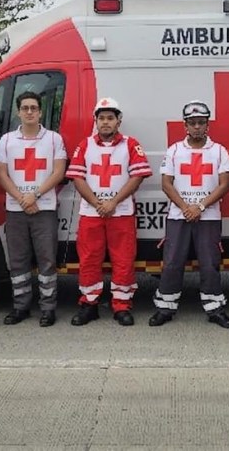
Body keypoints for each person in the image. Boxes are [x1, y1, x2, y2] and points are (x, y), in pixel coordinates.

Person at [65, 97, 152, 326]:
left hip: (121, 212)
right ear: (95, 121)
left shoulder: (131, 144)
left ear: (118, 121)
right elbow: (77, 177)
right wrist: (97, 203)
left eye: (110, 118)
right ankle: (89, 304)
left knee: (123, 259)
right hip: (91, 214)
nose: (105, 122)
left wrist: (113, 202)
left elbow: (138, 176)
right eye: (101, 118)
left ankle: (121, 306)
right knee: (89, 259)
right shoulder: (85, 145)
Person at [148, 101, 229, 329]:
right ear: (185, 125)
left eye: (201, 122)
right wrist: (186, 207)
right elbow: (166, 183)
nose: (197, 126)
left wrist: (200, 207)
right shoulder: (175, 150)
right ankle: (165, 307)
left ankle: (214, 308)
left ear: (207, 124)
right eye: (192, 123)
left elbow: (225, 184)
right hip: (179, 216)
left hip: (208, 217)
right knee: (173, 263)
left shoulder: (219, 151)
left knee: (209, 263)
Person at [0, 91, 67, 327]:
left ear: (40, 111)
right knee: (18, 261)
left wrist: (33, 195)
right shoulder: (6, 140)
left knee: (47, 261)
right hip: (16, 209)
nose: (29, 112)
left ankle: (48, 308)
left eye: (33, 108)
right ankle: (20, 307)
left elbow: (58, 172)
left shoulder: (54, 139)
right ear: (18, 112)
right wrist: (21, 198)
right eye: (24, 108)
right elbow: (1, 173)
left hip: (44, 208)